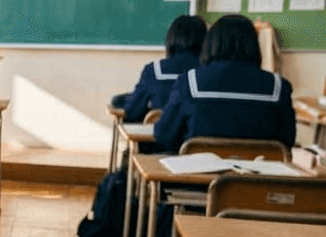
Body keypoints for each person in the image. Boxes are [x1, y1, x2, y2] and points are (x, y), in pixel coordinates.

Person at [154, 14, 296, 153]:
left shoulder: (189, 82)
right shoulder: (279, 87)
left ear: (210, 43)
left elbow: (164, 135)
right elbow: (287, 141)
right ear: (254, 45)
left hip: (197, 173)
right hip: (260, 174)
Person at [113, 14, 206, 123]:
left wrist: (119, 100)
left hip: (157, 137)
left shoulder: (155, 71)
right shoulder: (208, 72)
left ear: (171, 38)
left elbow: (133, 111)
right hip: (197, 138)